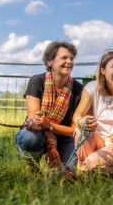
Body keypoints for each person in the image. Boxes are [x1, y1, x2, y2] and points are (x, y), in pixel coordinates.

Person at [15, 41, 83, 178]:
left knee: (68, 174)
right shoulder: (37, 81)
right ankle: (33, 168)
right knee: (29, 138)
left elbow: (72, 130)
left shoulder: (78, 89)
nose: (69, 61)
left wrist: (49, 125)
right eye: (64, 58)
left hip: (65, 137)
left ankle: (55, 172)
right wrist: (36, 123)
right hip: (38, 132)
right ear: (49, 61)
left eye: (72, 58)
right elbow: (35, 118)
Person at [72, 50, 113, 174]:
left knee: (91, 163)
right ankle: (106, 172)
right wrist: (81, 121)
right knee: (81, 130)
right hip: (101, 142)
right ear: (103, 70)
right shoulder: (92, 87)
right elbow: (77, 115)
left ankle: (86, 171)